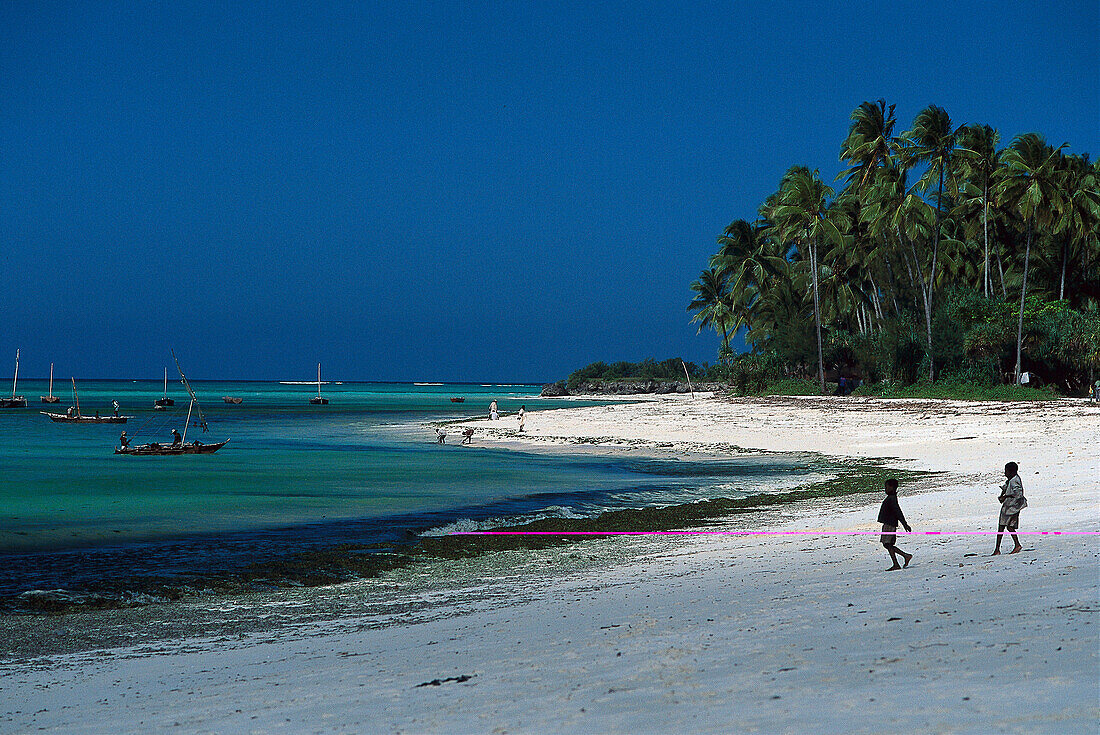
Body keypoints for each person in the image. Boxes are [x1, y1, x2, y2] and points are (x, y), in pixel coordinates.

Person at [877, 478, 913, 571]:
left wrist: (905, 524)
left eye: (887, 487)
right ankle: (902, 559)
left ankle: (902, 559)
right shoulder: (891, 498)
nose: (885, 489)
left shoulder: (892, 499)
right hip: (888, 523)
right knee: (887, 544)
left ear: (892, 487)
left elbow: (898, 512)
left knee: (888, 544)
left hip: (890, 524)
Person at [993, 461, 1027, 555]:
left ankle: (1000, 549)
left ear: (1011, 472)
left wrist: (1006, 497)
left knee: (1004, 526)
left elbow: (1018, 494)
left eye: (1006, 471)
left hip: (1011, 508)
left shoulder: (1014, 481)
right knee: (1007, 527)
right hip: (1010, 507)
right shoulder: (1012, 479)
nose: (1005, 473)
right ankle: (1012, 545)